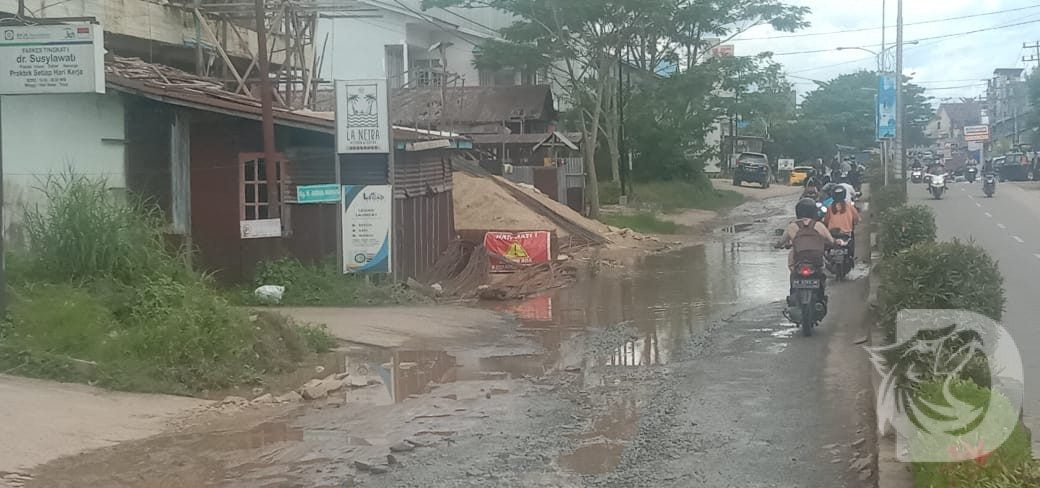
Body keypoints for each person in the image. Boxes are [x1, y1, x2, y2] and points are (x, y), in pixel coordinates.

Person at [824, 186, 859, 259]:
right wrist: (855, 222)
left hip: (832, 233)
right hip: (846, 233)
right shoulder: (849, 206)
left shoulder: (830, 207)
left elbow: (826, 221)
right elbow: (856, 218)